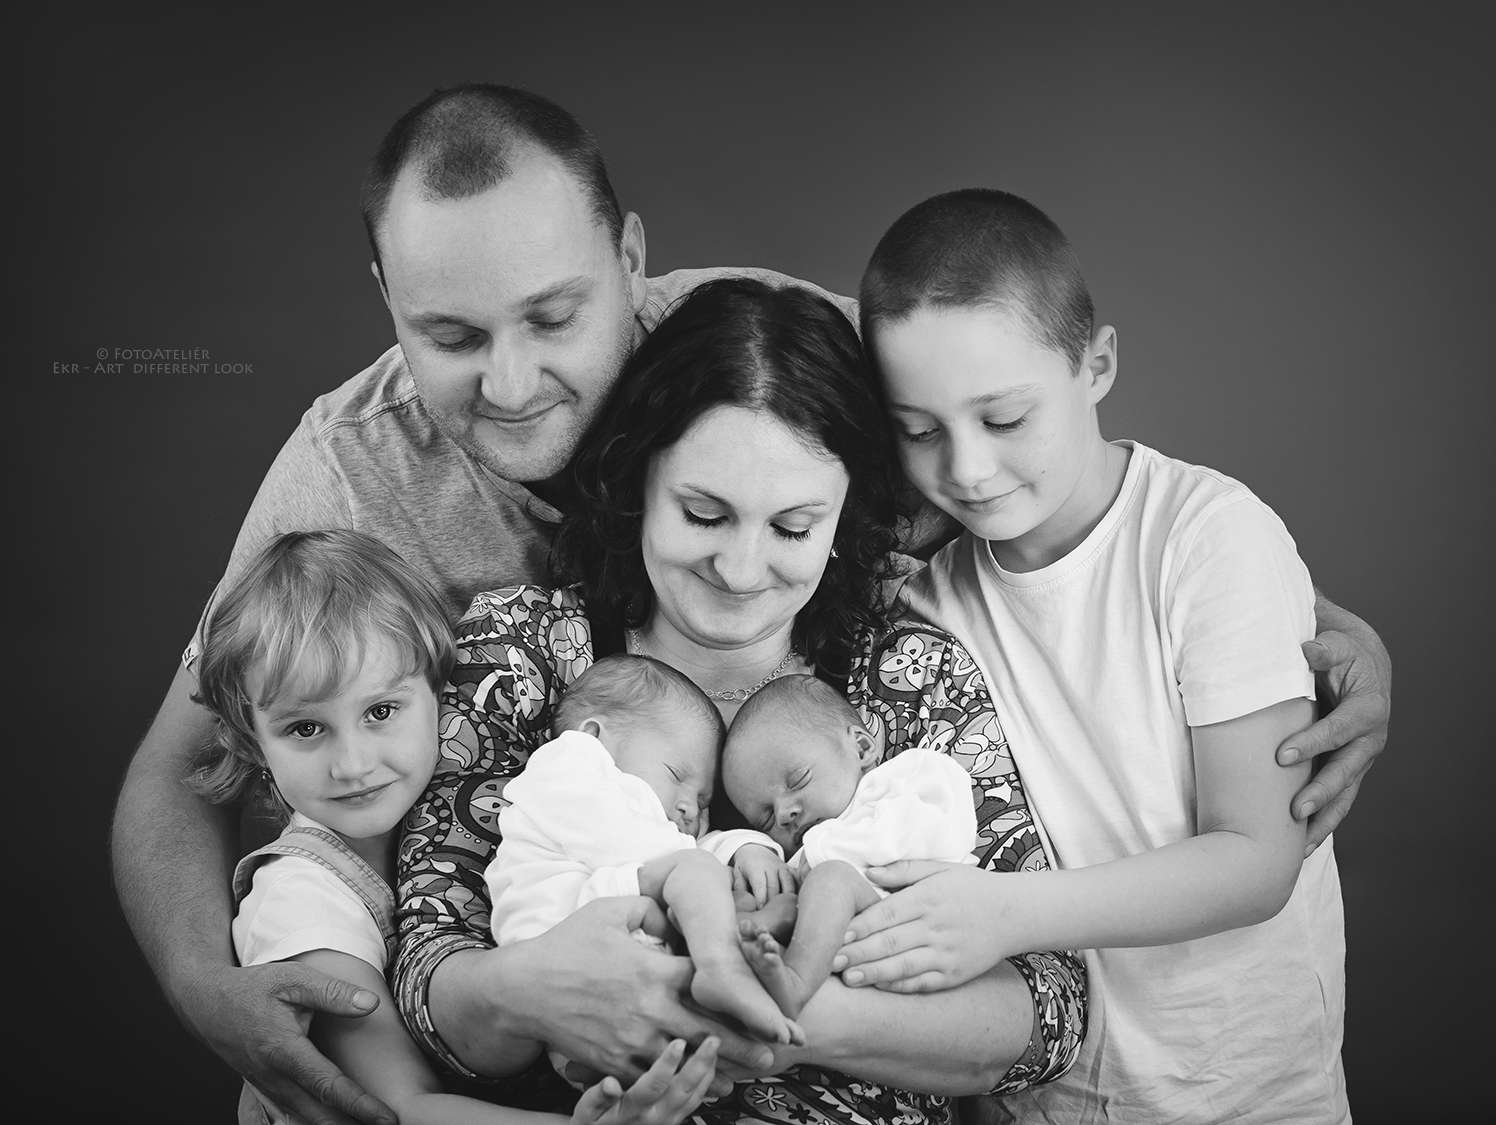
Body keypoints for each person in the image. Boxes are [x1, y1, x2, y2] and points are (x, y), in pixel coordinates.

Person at [107, 82, 1390, 1125]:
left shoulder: (829, 443)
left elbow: (1027, 466)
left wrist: (1297, 619)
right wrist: (202, 985)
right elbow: (203, 773)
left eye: (553, 316)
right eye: (451, 335)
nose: (509, 380)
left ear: (629, 261)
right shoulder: (399, 524)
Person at [396, 277, 1086, 1125]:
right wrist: (535, 992)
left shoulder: (910, 676)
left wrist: (789, 1020)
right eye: (703, 514)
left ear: (844, 521)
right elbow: (426, 971)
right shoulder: (524, 654)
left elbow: (1051, 1009)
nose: (741, 568)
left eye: (793, 527)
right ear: (637, 481)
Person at [845, 188, 1350, 1123]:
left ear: (1097, 364)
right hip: (1051, 1096)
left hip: (1246, 1086)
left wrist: (1004, 911)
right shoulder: (928, 601)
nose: (966, 468)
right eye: (920, 430)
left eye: (1004, 418)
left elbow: (1256, 857)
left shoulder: (1207, 538)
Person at [192, 529, 720, 1125]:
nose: (353, 764)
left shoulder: (480, 820)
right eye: (305, 729)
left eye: (380, 711)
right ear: (251, 742)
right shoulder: (303, 897)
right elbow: (398, 1109)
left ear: (443, 691)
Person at [485, 655, 802, 1047]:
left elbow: (683, 851)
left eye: (703, 802)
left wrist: (746, 848)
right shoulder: (562, 770)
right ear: (593, 736)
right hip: (557, 941)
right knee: (700, 877)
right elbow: (629, 843)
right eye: (677, 775)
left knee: (718, 890)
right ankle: (721, 966)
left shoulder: (648, 824)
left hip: (617, 938)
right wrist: (712, 871)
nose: (690, 809)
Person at [722, 674, 979, 1019]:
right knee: (753, 895)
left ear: (861, 748)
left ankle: (795, 984)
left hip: (918, 924)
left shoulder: (908, 778)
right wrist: (748, 847)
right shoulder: (804, 847)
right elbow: (703, 849)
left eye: (798, 780)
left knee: (831, 880)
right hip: (841, 939)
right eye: (765, 818)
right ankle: (744, 947)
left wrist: (824, 851)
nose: (783, 814)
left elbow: (933, 831)